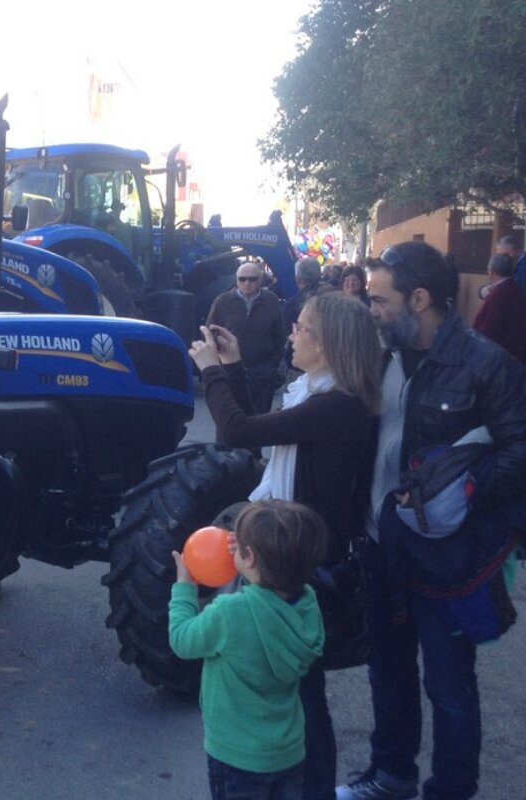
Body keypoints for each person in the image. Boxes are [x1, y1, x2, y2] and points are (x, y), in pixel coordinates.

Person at [337, 241, 526, 800]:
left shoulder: (487, 365)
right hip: (380, 546)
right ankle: (390, 776)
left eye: (379, 299)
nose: (370, 309)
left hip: (447, 555)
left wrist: (458, 495)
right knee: (387, 672)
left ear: (418, 298)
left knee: (448, 685)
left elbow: (521, 450)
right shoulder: (381, 355)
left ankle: (450, 790)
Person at [190, 291, 383, 800]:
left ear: (329, 344)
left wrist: (210, 370)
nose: (291, 334)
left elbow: (236, 430)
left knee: (305, 696)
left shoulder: (335, 405)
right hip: (299, 556)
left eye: (302, 328)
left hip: (304, 567)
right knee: (299, 691)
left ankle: (308, 789)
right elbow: (262, 435)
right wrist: (231, 366)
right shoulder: (318, 396)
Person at [169, 499, 328, 800]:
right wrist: (251, 556)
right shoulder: (307, 604)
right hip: (288, 751)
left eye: (240, 546)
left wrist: (184, 587)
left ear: (250, 558)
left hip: (236, 757)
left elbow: (181, 639)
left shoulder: (231, 613)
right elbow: (268, 596)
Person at [206, 261, 286, 412]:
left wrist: (271, 367)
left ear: (261, 280)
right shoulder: (222, 301)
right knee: (230, 417)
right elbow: (210, 333)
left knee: (260, 418)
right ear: (236, 280)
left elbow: (280, 336)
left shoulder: (271, 301)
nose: (247, 283)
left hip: (262, 373)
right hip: (230, 371)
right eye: (242, 279)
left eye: (252, 279)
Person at [472, 252, 526, 363]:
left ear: (491, 272)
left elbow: (489, 330)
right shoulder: (516, 289)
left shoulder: (498, 295)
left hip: (501, 358)